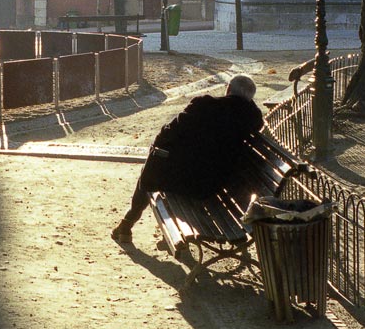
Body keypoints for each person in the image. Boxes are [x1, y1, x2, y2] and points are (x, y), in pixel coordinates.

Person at [111, 74, 263, 244]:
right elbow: (255, 114)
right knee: (158, 164)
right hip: (208, 187)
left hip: (181, 181)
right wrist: (246, 99)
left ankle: (127, 224)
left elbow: (166, 134)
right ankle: (131, 226)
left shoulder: (203, 104)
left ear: (228, 89)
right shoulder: (252, 119)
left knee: (153, 163)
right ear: (250, 99)